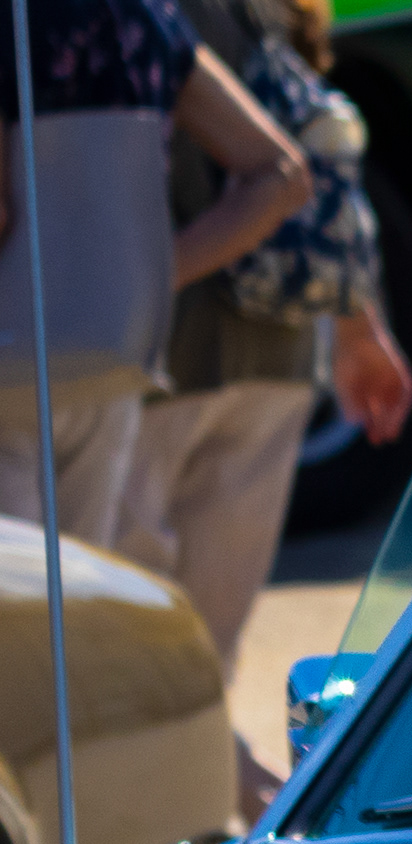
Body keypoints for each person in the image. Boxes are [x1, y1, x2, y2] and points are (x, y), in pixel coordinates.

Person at [115, 0, 407, 811]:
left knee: (138, 658)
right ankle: (268, 821)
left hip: (156, 351)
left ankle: (258, 823)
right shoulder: (268, 11)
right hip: (278, 351)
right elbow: (316, 164)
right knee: (202, 660)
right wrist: (356, 325)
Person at [0, 0, 306, 543]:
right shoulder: (145, 16)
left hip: (10, 356)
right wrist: (153, 273)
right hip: (112, 351)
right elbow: (282, 175)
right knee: (77, 602)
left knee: (14, 606)